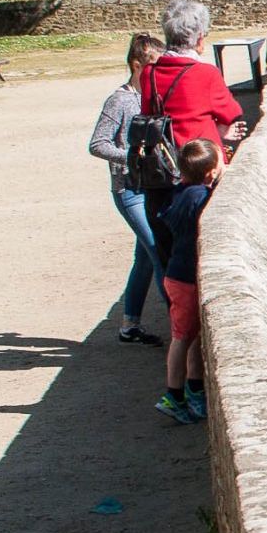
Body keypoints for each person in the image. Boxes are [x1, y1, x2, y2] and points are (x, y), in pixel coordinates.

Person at [140, 0, 246, 240]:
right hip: (200, 167)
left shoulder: (149, 73)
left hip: (164, 167)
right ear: (199, 38)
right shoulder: (205, 73)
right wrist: (218, 127)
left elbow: (150, 113)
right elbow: (232, 112)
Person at [88, 33, 168, 345]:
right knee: (159, 252)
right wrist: (134, 156)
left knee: (145, 257)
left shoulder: (151, 96)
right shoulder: (120, 100)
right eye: (153, 67)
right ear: (137, 66)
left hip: (150, 187)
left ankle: (129, 325)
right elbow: (97, 144)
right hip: (129, 190)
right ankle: (180, 328)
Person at [154, 139, 219, 424]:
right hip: (185, 279)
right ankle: (173, 395)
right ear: (210, 173)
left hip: (177, 274)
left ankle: (194, 389)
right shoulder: (199, 198)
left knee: (192, 334)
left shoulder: (181, 192)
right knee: (181, 337)